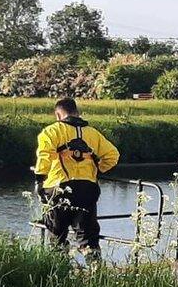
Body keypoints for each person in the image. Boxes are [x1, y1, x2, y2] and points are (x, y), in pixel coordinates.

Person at [34, 98, 120, 262]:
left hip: (59, 188)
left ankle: (59, 272)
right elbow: (113, 155)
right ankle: (96, 272)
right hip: (87, 189)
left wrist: (39, 180)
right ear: (76, 112)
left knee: (57, 234)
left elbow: (44, 155)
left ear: (58, 114)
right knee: (87, 237)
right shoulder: (93, 133)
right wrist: (98, 169)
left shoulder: (51, 131)